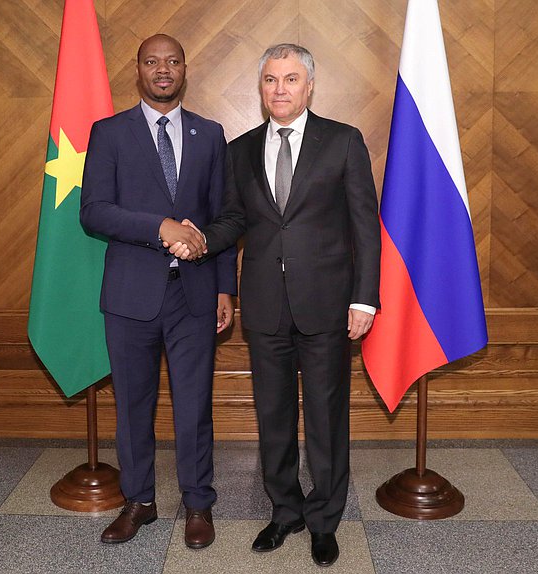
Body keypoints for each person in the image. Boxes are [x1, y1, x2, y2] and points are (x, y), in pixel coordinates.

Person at [170, 43, 380, 567]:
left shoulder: (344, 141)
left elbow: (365, 229)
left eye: (290, 79)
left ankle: (325, 520)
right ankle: (284, 511)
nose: (279, 89)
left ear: (309, 85)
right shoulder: (239, 150)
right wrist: (196, 240)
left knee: (328, 417)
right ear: (260, 88)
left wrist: (365, 300)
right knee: (275, 416)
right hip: (265, 306)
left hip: (329, 305)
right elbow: (234, 221)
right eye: (269, 80)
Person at [80, 33, 237, 549]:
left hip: (194, 294)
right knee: (132, 405)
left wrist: (224, 288)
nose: (163, 70)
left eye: (172, 61)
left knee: (194, 405)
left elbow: (225, 218)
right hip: (130, 296)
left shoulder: (211, 134)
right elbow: (95, 211)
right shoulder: (109, 133)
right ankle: (139, 502)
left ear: (185, 68)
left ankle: (197, 503)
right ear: (139, 69)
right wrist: (162, 227)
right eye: (153, 62)